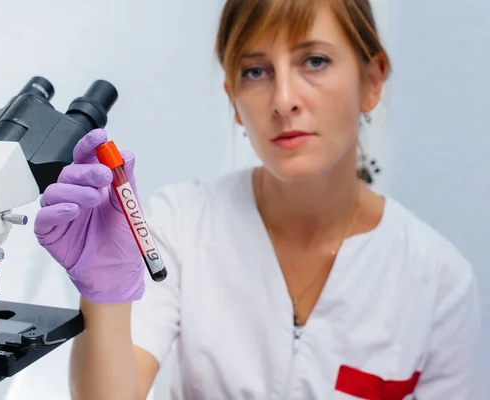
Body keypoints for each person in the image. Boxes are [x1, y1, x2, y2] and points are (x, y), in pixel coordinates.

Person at [33, 0, 481, 398]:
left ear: (372, 80)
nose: (283, 100)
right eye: (255, 71)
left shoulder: (439, 282)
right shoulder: (182, 225)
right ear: (234, 100)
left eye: (315, 60)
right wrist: (105, 293)